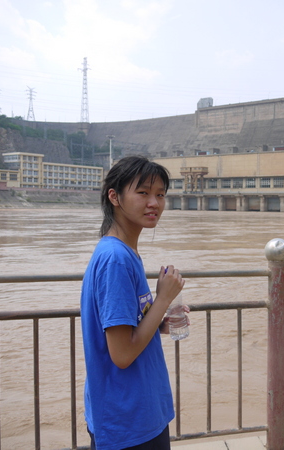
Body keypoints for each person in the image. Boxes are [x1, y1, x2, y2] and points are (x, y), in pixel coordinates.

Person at [81, 155, 185, 450]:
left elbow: (125, 330)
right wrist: (163, 298)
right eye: (143, 193)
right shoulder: (116, 259)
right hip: (127, 422)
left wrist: (159, 321)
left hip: (136, 414)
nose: (154, 203)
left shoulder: (123, 253)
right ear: (114, 196)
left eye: (160, 194)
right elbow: (122, 354)